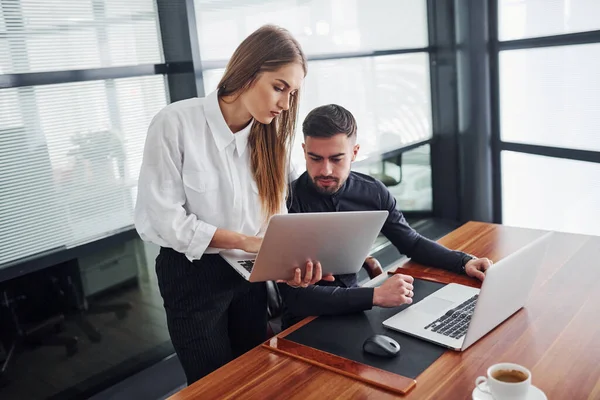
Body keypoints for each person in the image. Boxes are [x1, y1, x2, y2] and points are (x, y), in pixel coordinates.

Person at [134, 25, 333, 385]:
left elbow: (275, 220)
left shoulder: (271, 139)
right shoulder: (175, 123)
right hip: (192, 275)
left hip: (249, 273)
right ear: (248, 71)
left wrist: (289, 263)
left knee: (253, 376)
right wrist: (244, 242)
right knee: (213, 385)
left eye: (293, 93)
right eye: (279, 87)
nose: (286, 104)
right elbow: (164, 220)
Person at [278, 104, 492, 329]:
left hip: (357, 313)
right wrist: (375, 296)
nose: (326, 171)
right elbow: (296, 299)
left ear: (354, 152)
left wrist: (464, 262)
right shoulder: (287, 203)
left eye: (336, 159)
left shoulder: (373, 192)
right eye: (315, 158)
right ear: (304, 151)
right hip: (304, 325)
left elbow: (412, 242)